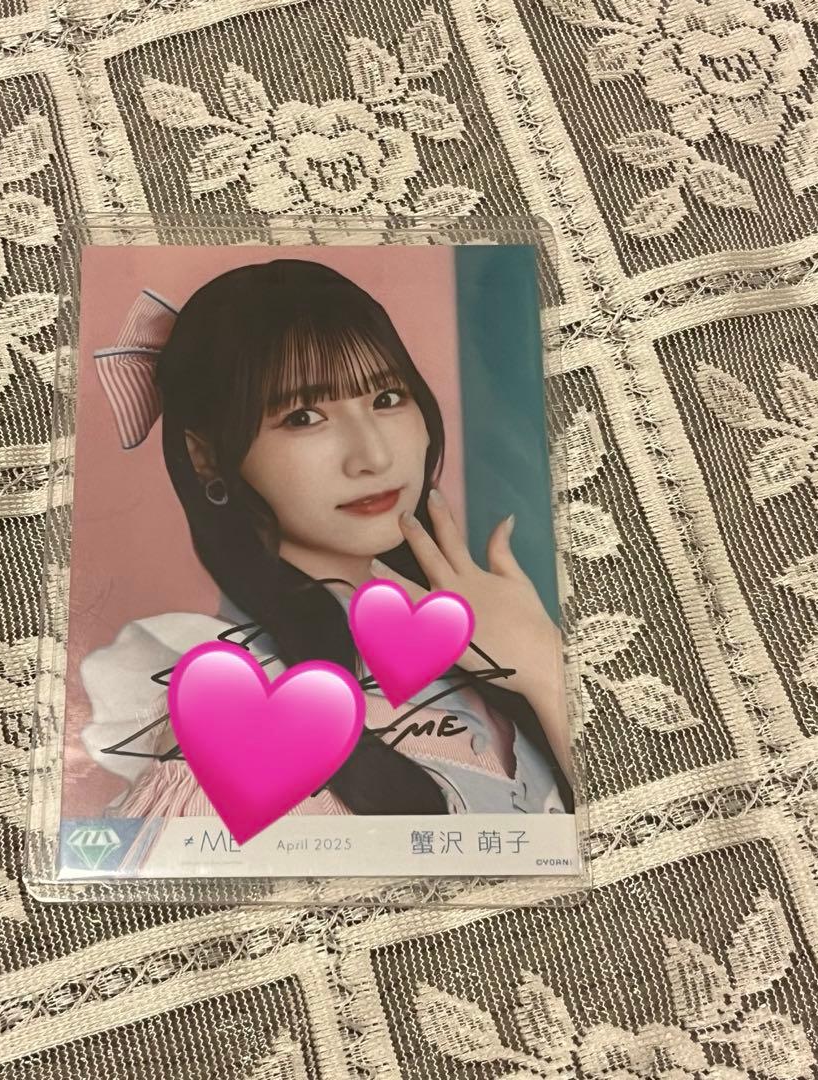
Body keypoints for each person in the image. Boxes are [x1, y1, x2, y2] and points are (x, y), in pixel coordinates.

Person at [81, 259, 572, 832]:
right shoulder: (230, 732)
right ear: (205, 456)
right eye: (304, 416)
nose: (373, 457)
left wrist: (543, 664)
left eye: (387, 398)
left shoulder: (489, 638)